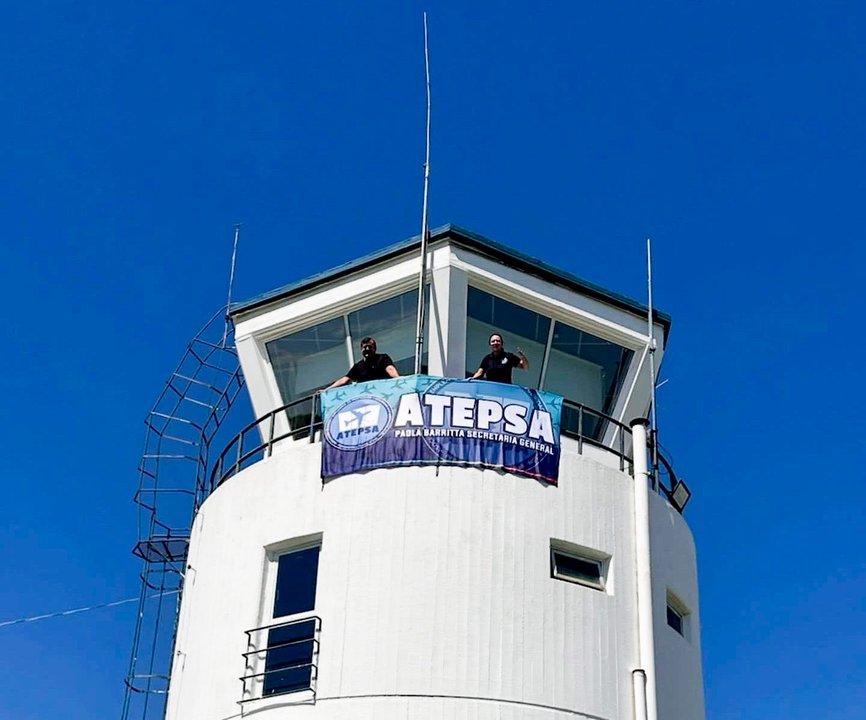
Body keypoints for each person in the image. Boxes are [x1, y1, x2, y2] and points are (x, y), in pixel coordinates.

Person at [328, 336, 400, 388]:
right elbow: (345, 380)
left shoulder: (383, 358)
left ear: (374, 348)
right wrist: (328, 389)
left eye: (370, 347)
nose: (367, 349)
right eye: (365, 347)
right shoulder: (358, 366)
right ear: (361, 349)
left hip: (384, 389)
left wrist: (398, 379)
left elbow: (390, 369)